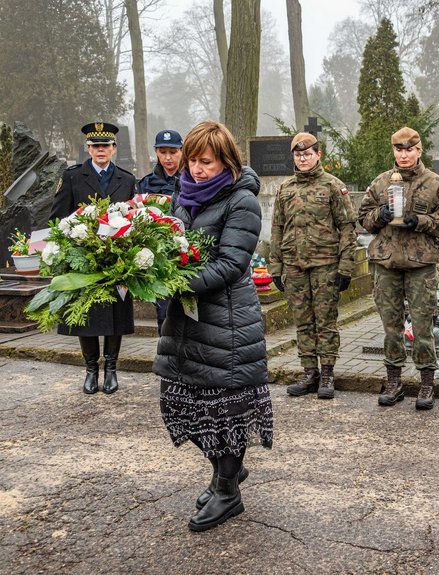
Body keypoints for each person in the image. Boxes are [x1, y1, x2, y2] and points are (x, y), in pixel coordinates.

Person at [153, 120, 272, 533]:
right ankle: (227, 473)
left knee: (225, 413)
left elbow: (230, 264)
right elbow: (172, 245)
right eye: (192, 161)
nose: (197, 169)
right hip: (186, 321)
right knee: (183, 404)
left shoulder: (242, 201)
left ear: (227, 162)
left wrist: (172, 281)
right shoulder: (182, 196)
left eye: (206, 162)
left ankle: (227, 492)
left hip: (226, 322)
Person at [357, 127, 439, 410]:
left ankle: (426, 384)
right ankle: (394, 381)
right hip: (387, 264)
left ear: (419, 150)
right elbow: (363, 218)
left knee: (423, 327)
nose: (404, 155)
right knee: (391, 328)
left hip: (420, 265)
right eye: (399, 150)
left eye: (409, 150)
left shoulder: (436, 184)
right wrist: (380, 215)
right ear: (394, 152)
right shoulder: (381, 183)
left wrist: (421, 221)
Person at [49, 122, 136, 395]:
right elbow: (57, 218)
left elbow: (135, 220)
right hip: (83, 260)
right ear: (88, 148)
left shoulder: (127, 179)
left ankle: (111, 369)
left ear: (114, 149)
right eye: (96, 146)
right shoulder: (73, 176)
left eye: (106, 146)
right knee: (86, 317)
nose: (101, 150)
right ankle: (90, 370)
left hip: (116, 261)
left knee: (115, 316)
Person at [269, 132, 357, 399]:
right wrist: (275, 267)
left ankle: (328, 373)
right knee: (303, 322)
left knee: (326, 322)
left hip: (325, 266)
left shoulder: (333, 186)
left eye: (307, 154)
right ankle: (309, 372)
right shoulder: (286, 189)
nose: (303, 158)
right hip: (294, 266)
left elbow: (346, 228)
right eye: (298, 154)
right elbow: (277, 228)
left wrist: (346, 267)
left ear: (318, 155)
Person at [136, 129, 183, 334]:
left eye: (172, 152)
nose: (167, 157)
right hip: (159, 256)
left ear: (181, 151)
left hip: (186, 253)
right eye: (162, 152)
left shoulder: (192, 179)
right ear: (156, 152)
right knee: (163, 313)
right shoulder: (146, 184)